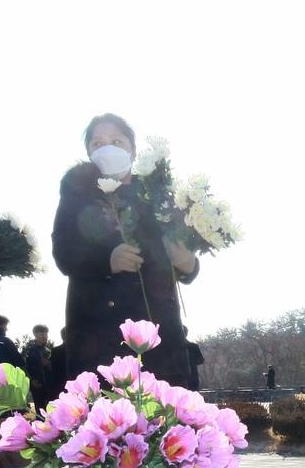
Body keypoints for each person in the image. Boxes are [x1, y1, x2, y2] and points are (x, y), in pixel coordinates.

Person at [53, 112, 199, 384]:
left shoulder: (158, 193)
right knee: (109, 421)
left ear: (133, 151)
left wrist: (188, 263)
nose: (107, 148)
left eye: (116, 141)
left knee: (167, 422)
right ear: (88, 152)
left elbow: (186, 254)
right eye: (97, 143)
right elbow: (63, 252)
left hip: (161, 337)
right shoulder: (78, 192)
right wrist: (107, 260)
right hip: (101, 337)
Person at [24, 324, 55, 410]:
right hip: (36, 385)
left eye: (46, 334)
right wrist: (32, 380)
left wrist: (48, 364)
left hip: (49, 385)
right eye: (42, 334)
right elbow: (25, 368)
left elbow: (54, 369)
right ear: (35, 334)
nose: (44, 336)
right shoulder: (29, 351)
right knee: (39, 409)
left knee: (51, 409)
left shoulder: (49, 351)